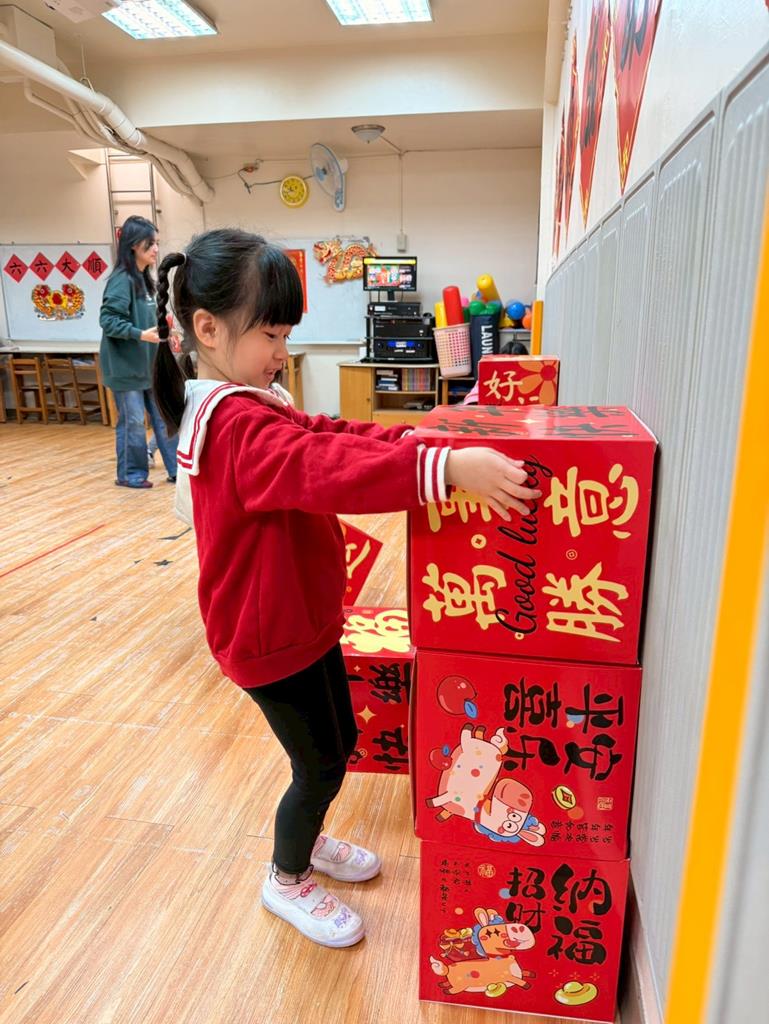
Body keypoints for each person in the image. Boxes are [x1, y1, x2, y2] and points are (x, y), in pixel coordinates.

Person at [152, 228, 541, 949]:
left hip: (302, 619)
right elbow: (325, 467)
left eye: (285, 335)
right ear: (207, 329)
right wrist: (443, 471)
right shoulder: (234, 424)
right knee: (320, 764)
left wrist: (418, 442)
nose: (281, 351)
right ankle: (287, 876)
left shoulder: (251, 400)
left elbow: (327, 434)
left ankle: (309, 837)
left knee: (340, 744)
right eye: (270, 335)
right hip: (269, 638)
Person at [99, 215, 178, 489]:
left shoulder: (145, 280)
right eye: (150, 243)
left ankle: (177, 470)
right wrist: (140, 334)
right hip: (125, 368)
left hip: (149, 367)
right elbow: (109, 320)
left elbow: (149, 320)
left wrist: (165, 330)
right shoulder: (122, 280)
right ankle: (130, 475)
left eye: (157, 243)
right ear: (134, 244)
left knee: (164, 418)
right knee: (133, 422)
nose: (156, 249)